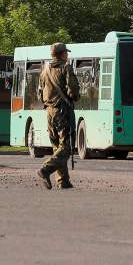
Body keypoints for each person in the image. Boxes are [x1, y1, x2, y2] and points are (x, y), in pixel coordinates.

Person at [37, 42, 81, 190]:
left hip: (49, 111)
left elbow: (39, 92)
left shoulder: (45, 69)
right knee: (66, 147)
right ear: (62, 54)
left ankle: (63, 181)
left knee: (57, 146)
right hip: (62, 110)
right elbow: (73, 88)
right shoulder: (65, 68)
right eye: (66, 53)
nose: (67, 55)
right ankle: (45, 170)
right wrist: (74, 96)